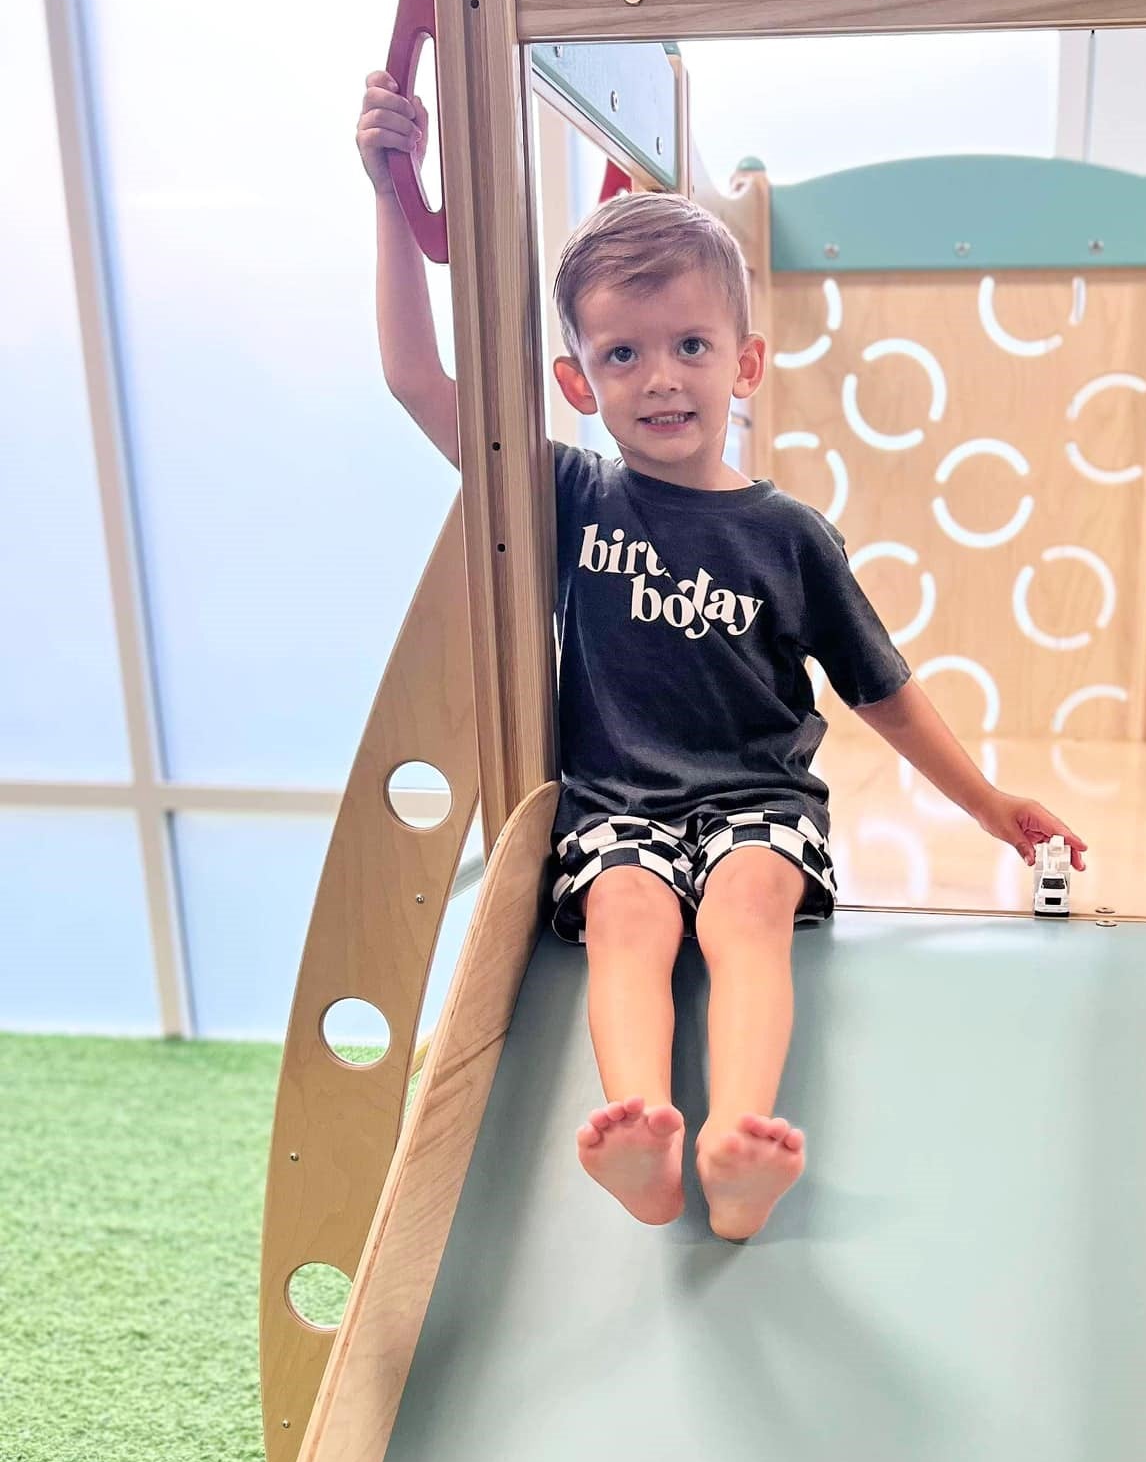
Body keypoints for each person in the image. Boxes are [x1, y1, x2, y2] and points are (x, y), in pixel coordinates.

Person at [356, 73, 1087, 1240]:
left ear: (743, 364)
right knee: (629, 920)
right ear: (576, 382)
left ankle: (741, 1148)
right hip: (614, 808)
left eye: (690, 344)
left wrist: (991, 805)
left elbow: (884, 696)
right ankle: (642, 1136)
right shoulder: (568, 493)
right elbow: (413, 381)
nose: (660, 376)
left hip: (758, 800)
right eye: (624, 353)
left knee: (744, 911)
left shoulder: (789, 537)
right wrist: (391, 198)